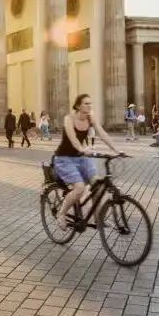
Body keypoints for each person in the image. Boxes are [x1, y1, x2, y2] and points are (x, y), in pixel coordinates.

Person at [54, 94, 120, 229]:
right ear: (78, 106)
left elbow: (102, 134)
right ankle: (61, 214)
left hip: (82, 158)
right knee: (79, 188)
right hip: (64, 159)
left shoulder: (90, 118)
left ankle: (98, 219)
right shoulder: (69, 119)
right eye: (86, 104)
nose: (89, 106)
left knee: (98, 186)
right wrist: (82, 149)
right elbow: (73, 139)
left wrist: (117, 151)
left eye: (90, 103)